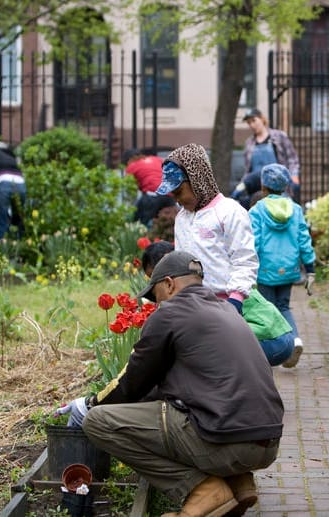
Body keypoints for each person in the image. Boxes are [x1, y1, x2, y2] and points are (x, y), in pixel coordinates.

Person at [57, 251, 284, 517]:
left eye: (155, 295)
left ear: (169, 283)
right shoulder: (225, 310)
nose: (155, 303)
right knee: (178, 410)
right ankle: (238, 481)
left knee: (98, 421)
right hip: (266, 442)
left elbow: (133, 381)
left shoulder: (171, 313)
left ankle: (202, 491)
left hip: (227, 442)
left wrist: (89, 404)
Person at [142, 241, 295, 367]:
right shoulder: (196, 275)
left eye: (156, 279)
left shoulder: (201, 285)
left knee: (206, 349)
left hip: (272, 339)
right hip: (276, 336)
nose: (156, 287)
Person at [156, 142, 259, 315]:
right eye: (172, 195)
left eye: (179, 192)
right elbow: (181, 261)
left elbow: (244, 259)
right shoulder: (182, 218)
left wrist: (236, 299)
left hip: (225, 302)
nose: (177, 200)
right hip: (191, 304)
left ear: (197, 180)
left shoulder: (228, 212)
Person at [249, 163, 316, 368]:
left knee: (268, 310)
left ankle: (274, 351)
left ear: (263, 186)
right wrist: (310, 268)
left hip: (265, 270)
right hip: (289, 269)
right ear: (286, 186)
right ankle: (295, 339)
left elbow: (255, 241)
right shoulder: (295, 210)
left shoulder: (257, 210)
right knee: (283, 306)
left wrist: (249, 267)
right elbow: (304, 239)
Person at [232, 108, 300, 208]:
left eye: (254, 121)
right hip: (256, 190)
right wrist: (242, 185)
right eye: (249, 123)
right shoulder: (249, 143)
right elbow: (248, 170)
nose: (252, 125)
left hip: (278, 187)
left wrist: (294, 176)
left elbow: (292, 159)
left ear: (262, 119)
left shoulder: (279, 137)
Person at [122, 148, 177, 228]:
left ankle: (143, 237)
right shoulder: (156, 159)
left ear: (129, 160)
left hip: (152, 195)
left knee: (142, 224)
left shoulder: (131, 167)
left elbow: (130, 191)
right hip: (169, 195)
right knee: (170, 224)